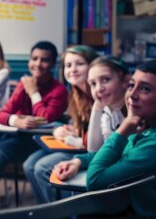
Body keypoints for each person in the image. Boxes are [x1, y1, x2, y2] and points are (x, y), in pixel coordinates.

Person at [54, 60, 156, 217]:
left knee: (82, 208)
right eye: (132, 86)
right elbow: (124, 152)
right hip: (142, 206)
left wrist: (124, 128)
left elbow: (95, 181)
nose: (132, 95)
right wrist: (78, 161)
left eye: (145, 89)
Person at [0, 41, 68, 212]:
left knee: (0, 149)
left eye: (44, 60)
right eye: (34, 58)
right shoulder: (24, 83)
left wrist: (33, 92)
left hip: (44, 142)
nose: (37, 64)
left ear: (53, 64)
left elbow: (44, 118)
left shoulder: (58, 90)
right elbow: (2, 113)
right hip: (21, 138)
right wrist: (15, 120)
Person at [23, 45, 98, 204]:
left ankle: (62, 210)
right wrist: (61, 129)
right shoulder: (76, 95)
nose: (73, 69)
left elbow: (45, 118)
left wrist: (33, 93)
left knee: (42, 167)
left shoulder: (98, 93)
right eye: (68, 65)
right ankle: (45, 209)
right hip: (77, 145)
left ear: (93, 66)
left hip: (86, 150)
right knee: (29, 164)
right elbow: (79, 127)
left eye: (80, 64)